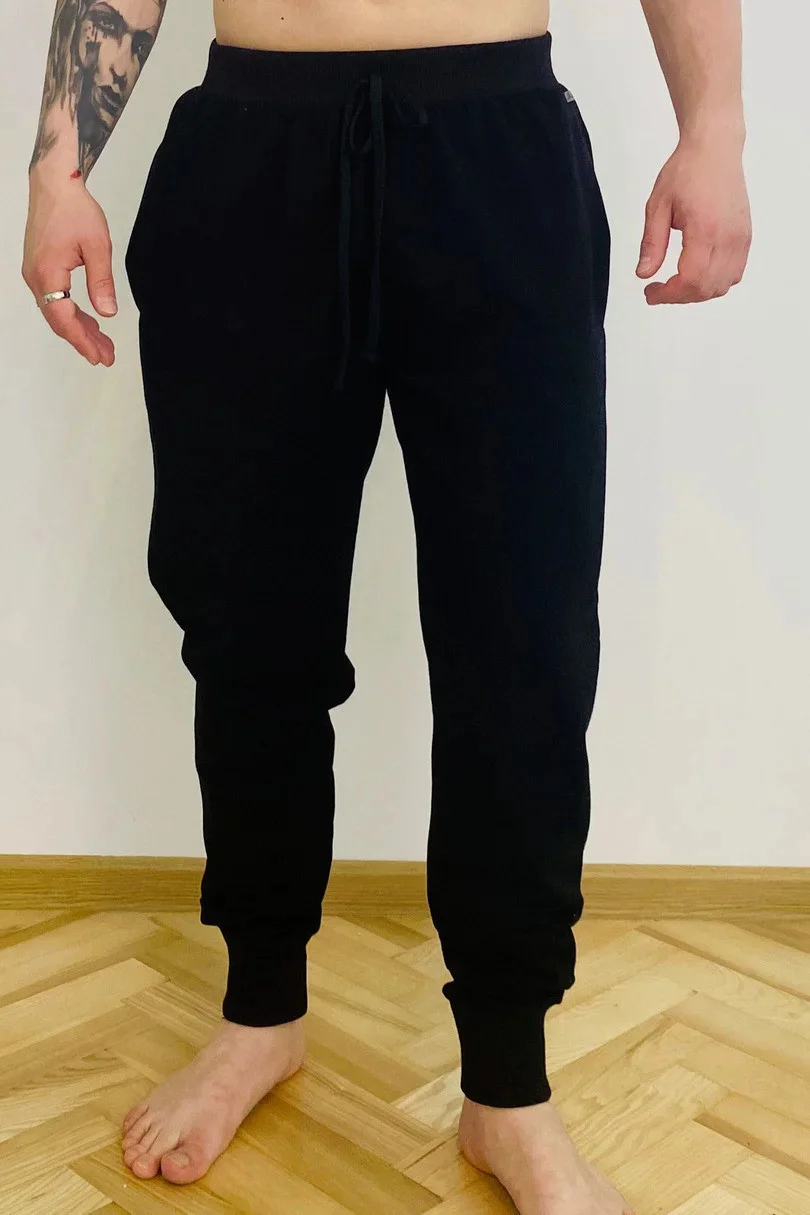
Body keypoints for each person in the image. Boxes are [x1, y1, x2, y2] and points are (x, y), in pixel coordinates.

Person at [22, 0, 751, 1210]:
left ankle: (509, 1086)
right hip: (252, 156)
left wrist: (713, 128)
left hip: (498, 150)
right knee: (249, 628)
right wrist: (59, 166)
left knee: (523, 643)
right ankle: (260, 1013)